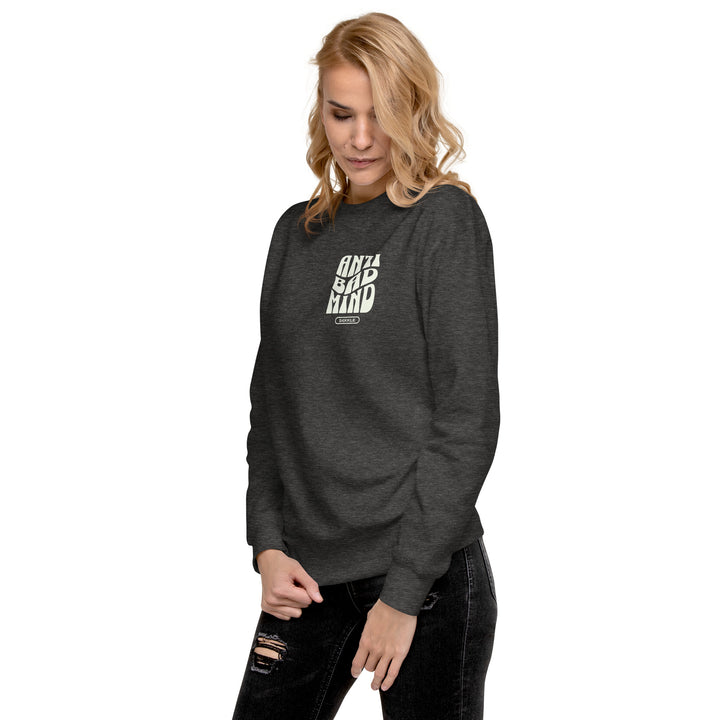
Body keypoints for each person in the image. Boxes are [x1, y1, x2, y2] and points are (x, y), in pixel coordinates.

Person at [231, 12, 500, 720]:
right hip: (306, 579)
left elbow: (467, 421)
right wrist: (266, 545)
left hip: (422, 581)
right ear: (320, 113)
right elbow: (271, 409)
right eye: (342, 113)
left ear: (414, 108)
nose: (359, 138)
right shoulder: (295, 234)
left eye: (381, 114)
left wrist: (403, 595)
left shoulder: (442, 222)